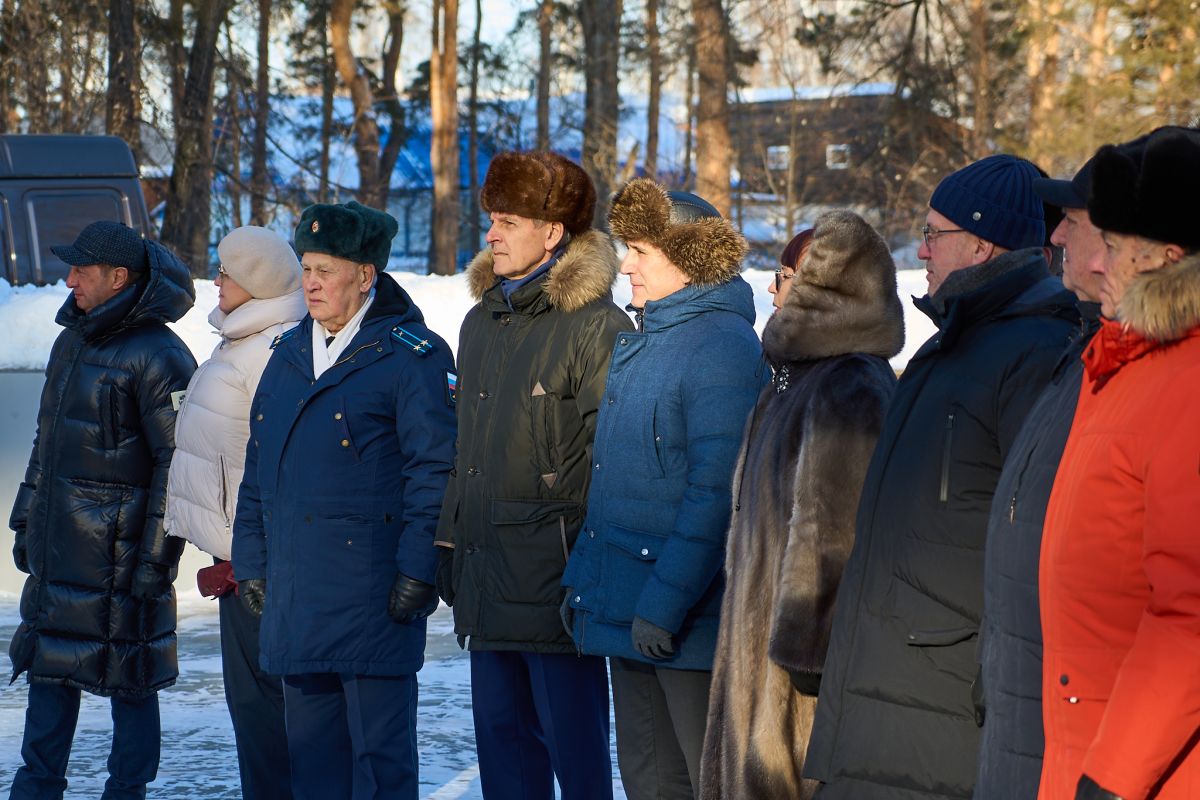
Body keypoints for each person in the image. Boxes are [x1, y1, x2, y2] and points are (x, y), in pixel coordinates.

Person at [803, 155, 1080, 799]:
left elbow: (1043, 540)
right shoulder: (948, 344)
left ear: (980, 242)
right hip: (889, 684)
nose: (921, 249)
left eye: (934, 232)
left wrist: (994, 683)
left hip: (947, 704)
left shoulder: (1036, 351)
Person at [230, 201, 456, 800]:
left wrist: (418, 570)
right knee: (314, 769)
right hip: (298, 597)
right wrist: (251, 562)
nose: (310, 283)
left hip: (373, 595)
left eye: (325, 270)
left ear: (365, 275)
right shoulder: (286, 355)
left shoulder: (413, 356)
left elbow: (434, 472)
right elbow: (259, 470)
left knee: (380, 767)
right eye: (305, 268)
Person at [433, 151, 633, 799]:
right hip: (488, 582)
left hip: (557, 592)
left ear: (552, 233)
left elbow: (614, 464)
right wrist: (446, 540)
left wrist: (591, 572)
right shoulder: (481, 322)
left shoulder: (597, 326)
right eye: (491, 218)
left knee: (575, 762)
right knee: (504, 754)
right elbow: (465, 450)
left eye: (508, 221)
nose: (490, 234)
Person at [562, 179, 766, 799]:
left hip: (685, 621)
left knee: (697, 780)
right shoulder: (649, 338)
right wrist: (586, 583)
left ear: (690, 259)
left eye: (642, 251)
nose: (625, 264)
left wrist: (665, 603)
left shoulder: (721, 348)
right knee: (648, 778)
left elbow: (716, 493)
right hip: (629, 608)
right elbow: (620, 481)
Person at [700, 211, 904, 800]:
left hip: (795, 686)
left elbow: (832, 537)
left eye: (785, 275)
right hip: (754, 660)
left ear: (824, 289)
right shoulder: (786, 388)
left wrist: (802, 666)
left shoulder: (849, 387)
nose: (771, 287)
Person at [7, 220, 197, 799]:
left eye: (80, 271)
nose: (68, 281)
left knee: (132, 687)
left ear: (118, 278)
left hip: (121, 563)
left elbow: (179, 465)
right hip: (60, 553)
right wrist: (27, 517)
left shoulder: (160, 354)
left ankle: (127, 793)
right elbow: (46, 442)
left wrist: (156, 561)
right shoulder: (73, 341)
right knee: (48, 677)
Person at [1038, 126, 1200, 800]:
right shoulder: (1120, 363)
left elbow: (1191, 613)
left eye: (1112, 247)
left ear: (1166, 259)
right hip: (1086, 737)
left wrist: (1112, 778)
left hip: (1143, 769)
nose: (1092, 263)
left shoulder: (1186, 382)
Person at [973, 158, 1106, 799]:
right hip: (1024, 699)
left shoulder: (1156, 376)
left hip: (1096, 745)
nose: (1055, 237)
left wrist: (1113, 774)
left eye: (1075, 221)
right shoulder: (1086, 356)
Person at [164, 226, 306, 800]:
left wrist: (255, 551)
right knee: (252, 707)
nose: (216, 281)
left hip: (261, 561)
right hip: (236, 554)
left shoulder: (273, 350)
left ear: (256, 284)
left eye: (226, 273)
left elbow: (280, 458)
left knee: (267, 707)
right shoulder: (242, 340)